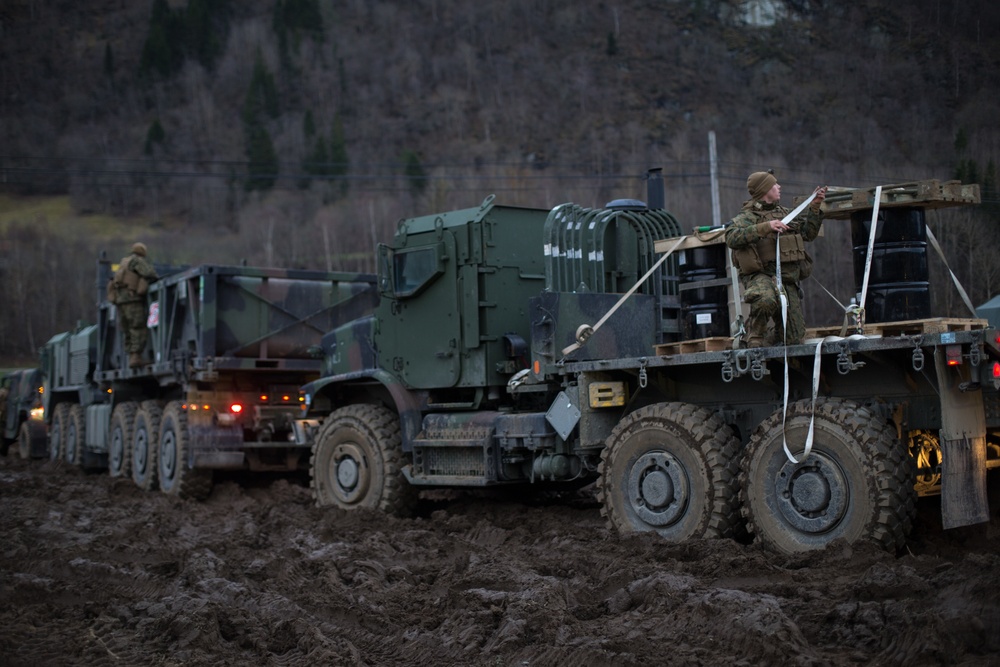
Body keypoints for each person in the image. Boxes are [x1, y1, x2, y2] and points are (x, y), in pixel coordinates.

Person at [725, 170, 827, 348]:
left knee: (794, 338)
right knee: (766, 299)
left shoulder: (787, 213)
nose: (779, 187)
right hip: (760, 276)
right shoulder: (746, 218)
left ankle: (767, 339)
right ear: (764, 190)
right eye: (774, 185)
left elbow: (808, 234)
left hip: (788, 279)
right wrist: (765, 227)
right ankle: (754, 335)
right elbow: (732, 238)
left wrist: (815, 207)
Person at [110, 242, 159, 367]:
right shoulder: (137, 261)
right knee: (137, 327)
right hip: (132, 300)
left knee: (127, 330)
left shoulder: (123, 262)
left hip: (120, 301)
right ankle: (135, 357)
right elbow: (149, 273)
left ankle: (130, 356)